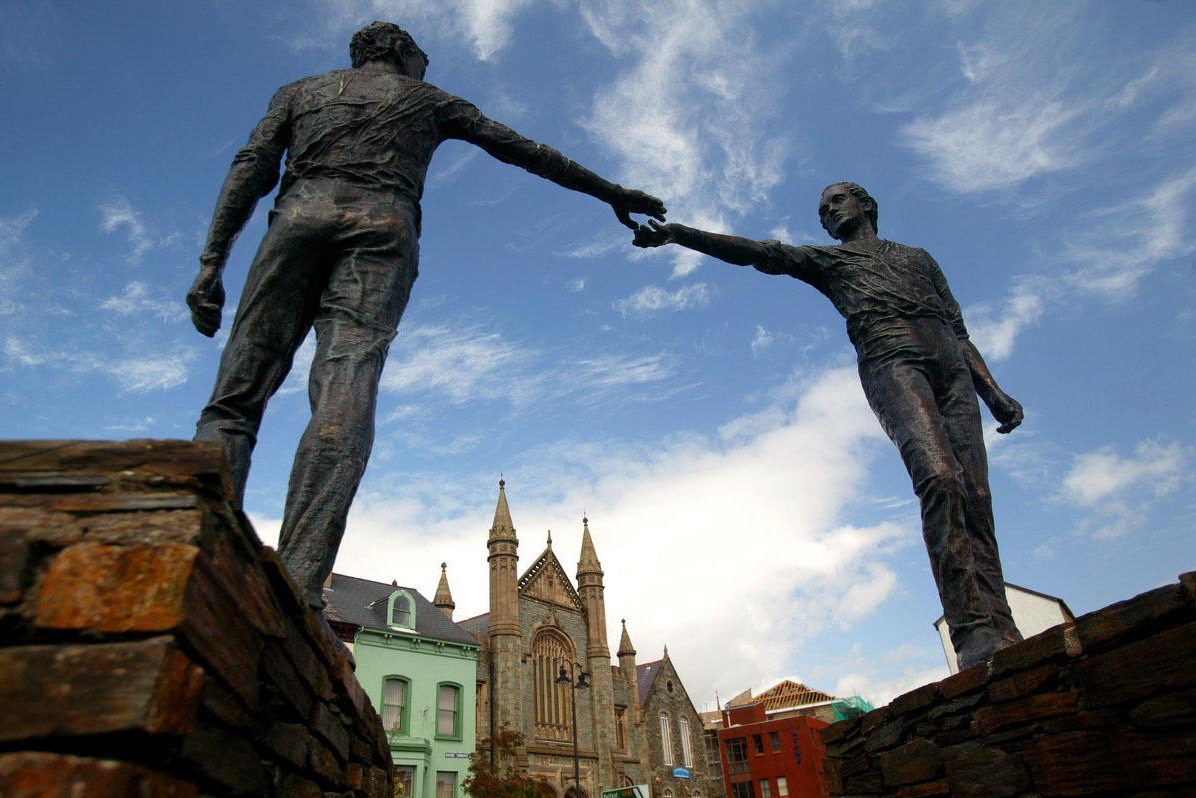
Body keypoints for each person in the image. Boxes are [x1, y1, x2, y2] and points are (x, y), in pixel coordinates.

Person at [186, 22, 666, 625]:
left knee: (235, 394)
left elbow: (250, 167)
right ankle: (298, 583)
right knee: (346, 391)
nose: (425, 66)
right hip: (383, 227)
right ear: (404, 55)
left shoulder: (299, 91)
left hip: (299, 216)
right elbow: (528, 151)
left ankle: (195, 541)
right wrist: (612, 192)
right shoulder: (426, 100)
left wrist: (212, 260)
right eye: (423, 58)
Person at [633, 182, 1023, 668]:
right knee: (941, 480)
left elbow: (959, 332)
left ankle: (1004, 627)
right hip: (893, 360)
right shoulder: (831, 263)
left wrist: (993, 391)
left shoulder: (919, 258)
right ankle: (972, 630)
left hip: (952, 368)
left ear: (868, 205)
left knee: (978, 498)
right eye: (821, 210)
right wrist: (678, 235)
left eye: (837, 202)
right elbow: (758, 253)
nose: (828, 213)